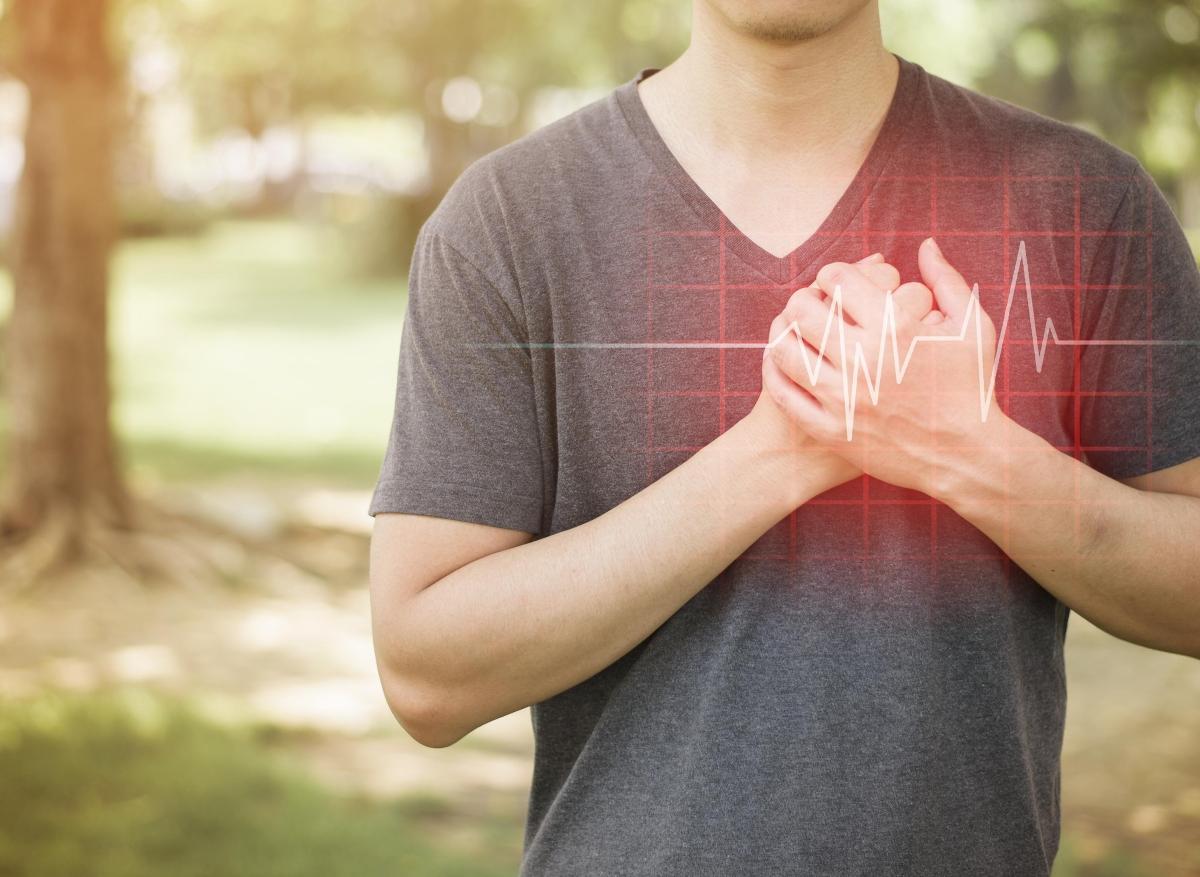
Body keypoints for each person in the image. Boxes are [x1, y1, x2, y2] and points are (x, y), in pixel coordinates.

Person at [366, 1, 1200, 874]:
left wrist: (967, 450)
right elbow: (428, 675)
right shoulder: (508, 221)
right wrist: (787, 447)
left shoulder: (1083, 202)